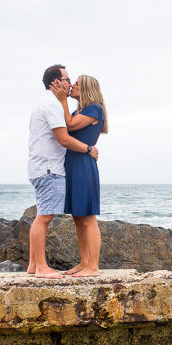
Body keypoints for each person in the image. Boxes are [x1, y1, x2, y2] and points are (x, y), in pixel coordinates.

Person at [27, 64, 98, 279]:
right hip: (49, 168)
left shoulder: (51, 103)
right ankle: (41, 267)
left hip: (44, 166)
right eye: (67, 79)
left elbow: (69, 127)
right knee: (45, 217)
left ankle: (34, 265)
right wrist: (88, 149)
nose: (70, 83)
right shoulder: (53, 104)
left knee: (43, 215)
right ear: (56, 82)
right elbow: (64, 138)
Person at [51, 74, 108, 277]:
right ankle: (84, 263)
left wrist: (62, 100)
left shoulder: (94, 108)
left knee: (88, 217)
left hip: (83, 164)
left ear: (86, 88)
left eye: (76, 84)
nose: (72, 86)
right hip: (73, 164)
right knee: (78, 216)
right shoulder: (80, 110)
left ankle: (93, 266)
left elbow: (71, 125)